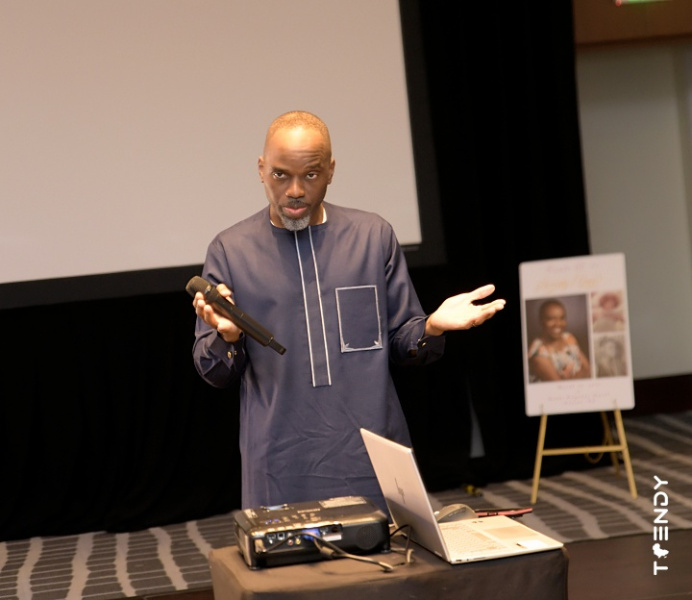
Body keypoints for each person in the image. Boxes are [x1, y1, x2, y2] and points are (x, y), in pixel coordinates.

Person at [191, 110, 506, 512]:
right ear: (261, 169)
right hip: (279, 460)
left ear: (331, 171)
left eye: (310, 174)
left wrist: (431, 326)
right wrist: (228, 335)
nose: (294, 190)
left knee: (388, 551)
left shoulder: (372, 236)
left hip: (372, 450)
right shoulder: (230, 250)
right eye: (280, 175)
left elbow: (404, 343)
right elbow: (214, 372)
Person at [528, 298, 591, 382]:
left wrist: (574, 378)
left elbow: (588, 368)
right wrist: (582, 374)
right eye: (551, 319)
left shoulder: (568, 338)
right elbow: (560, 386)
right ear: (542, 321)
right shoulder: (538, 354)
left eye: (562, 318)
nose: (558, 323)